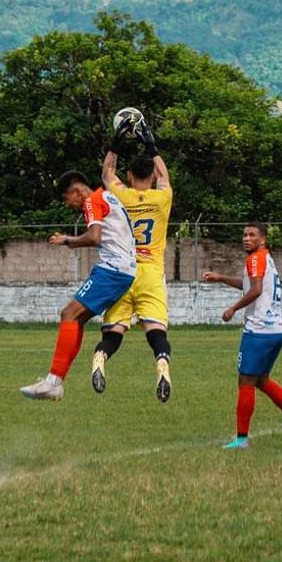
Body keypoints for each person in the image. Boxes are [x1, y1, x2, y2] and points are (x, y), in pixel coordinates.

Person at [19, 171, 136, 400]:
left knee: (68, 314)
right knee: (77, 318)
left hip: (113, 269)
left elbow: (94, 237)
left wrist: (68, 241)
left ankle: (53, 381)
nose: (68, 204)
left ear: (77, 191)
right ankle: (55, 381)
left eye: (66, 198)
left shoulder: (92, 201)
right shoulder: (109, 195)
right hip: (122, 269)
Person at [202, 223, 282, 450]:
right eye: (244, 234)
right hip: (277, 330)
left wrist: (233, 309)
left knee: (245, 381)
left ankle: (241, 439)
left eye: (252, 235)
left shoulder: (254, 259)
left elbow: (256, 289)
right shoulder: (265, 258)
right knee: (261, 380)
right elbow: (249, 285)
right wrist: (221, 278)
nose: (246, 238)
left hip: (259, 330)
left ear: (263, 240)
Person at [92, 118, 175, 401]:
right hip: (151, 272)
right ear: (151, 176)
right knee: (156, 330)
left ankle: (101, 357)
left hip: (123, 271)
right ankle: (162, 364)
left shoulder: (120, 195)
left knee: (114, 331)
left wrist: (116, 141)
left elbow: (106, 174)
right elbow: (165, 177)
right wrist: (150, 143)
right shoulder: (162, 198)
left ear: (129, 176)